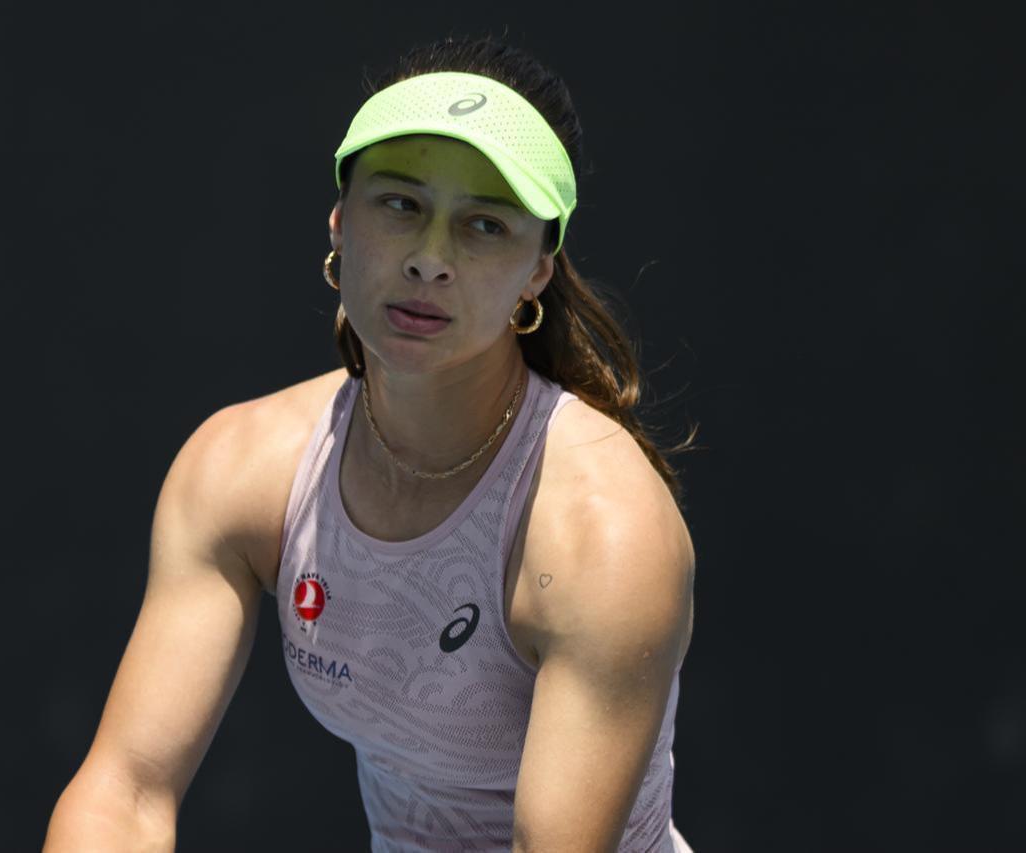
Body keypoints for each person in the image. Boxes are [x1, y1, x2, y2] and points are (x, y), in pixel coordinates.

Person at [45, 34, 696, 853]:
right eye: (401, 205)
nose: (430, 260)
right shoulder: (241, 467)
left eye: (485, 226)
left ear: (539, 270)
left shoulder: (605, 532)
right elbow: (126, 791)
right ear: (339, 222)